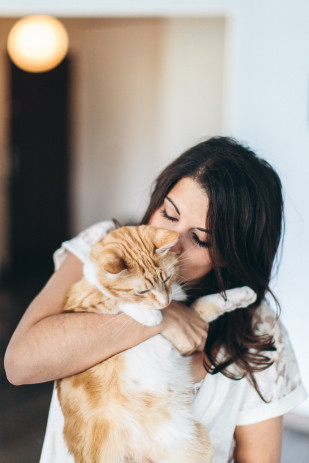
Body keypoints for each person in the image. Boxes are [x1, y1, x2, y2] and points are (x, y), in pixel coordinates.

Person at [4, 137, 307, 463]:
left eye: (200, 239)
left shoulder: (258, 329)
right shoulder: (105, 250)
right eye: (168, 215)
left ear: (230, 257)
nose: (170, 245)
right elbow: (20, 364)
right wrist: (160, 317)